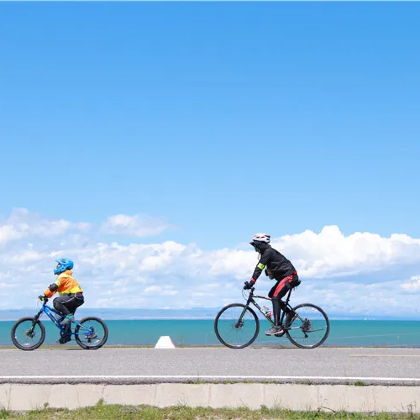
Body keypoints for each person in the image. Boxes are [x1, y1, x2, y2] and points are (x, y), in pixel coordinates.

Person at [244, 233, 300, 336]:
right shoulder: (267, 253)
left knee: (275, 298)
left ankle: (277, 326)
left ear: (261, 244)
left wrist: (252, 282)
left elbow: (259, 267)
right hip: (286, 277)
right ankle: (290, 314)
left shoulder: (268, 252)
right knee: (271, 295)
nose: (255, 248)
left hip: (289, 276)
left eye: (256, 245)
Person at [39, 258, 84, 344]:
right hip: (75, 298)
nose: (56, 266)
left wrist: (45, 294)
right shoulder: (63, 277)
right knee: (64, 316)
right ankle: (66, 337)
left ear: (63, 266)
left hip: (75, 297)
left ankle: (69, 316)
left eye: (58, 264)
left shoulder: (63, 276)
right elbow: (54, 290)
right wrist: (46, 296)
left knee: (57, 302)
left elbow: (54, 287)